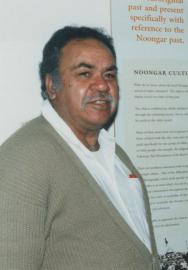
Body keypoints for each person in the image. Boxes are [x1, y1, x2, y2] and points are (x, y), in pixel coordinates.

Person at [0, 26, 160, 269]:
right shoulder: (22, 162)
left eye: (109, 75)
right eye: (85, 73)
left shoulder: (115, 154)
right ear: (52, 85)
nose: (103, 86)